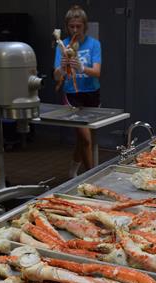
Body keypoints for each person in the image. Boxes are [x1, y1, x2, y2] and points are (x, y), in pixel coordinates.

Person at [53, 5, 101, 178]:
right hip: (72, 95)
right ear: (67, 27)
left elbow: (97, 72)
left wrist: (82, 68)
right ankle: (92, 178)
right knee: (86, 139)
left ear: (84, 26)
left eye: (78, 26)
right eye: (71, 26)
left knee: (86, 140)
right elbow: (56, 76)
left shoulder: (94, 44)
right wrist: (62, 66)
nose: (75, 30)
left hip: (92, 94)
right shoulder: (62, 45)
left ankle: (73, 170)